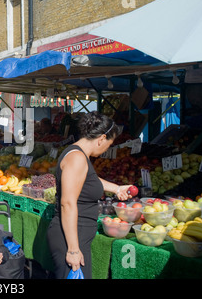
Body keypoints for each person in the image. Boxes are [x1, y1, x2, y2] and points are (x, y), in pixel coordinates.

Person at [46, 111, 131, 279]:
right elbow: (68, 204)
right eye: (110, 144)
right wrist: (73, 249)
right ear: (101, 139)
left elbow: (87, 179)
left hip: (77, 235)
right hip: (70, 237)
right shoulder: (77, 158)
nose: (108, 148)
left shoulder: (78, 155)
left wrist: (117, 188)